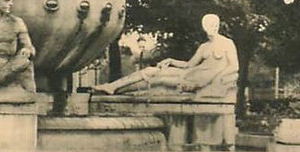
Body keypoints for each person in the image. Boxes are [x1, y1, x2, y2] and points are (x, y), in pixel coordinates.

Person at [93, 14, 238, 98]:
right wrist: (171, 60)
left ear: (218, 26)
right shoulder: (204, 47)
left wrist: (216, 78)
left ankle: (116, 90)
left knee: (158, 79)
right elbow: (189, 65)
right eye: (208, 25)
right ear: (204, 27)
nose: (212, 28)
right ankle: (112, 87)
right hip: (189, 73)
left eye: (214, 25)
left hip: (197, 80)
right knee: (150, 71)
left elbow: (233, 67)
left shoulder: (227, 43)